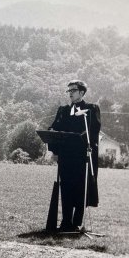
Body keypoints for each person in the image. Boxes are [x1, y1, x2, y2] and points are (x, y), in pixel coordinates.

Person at [49, 80, 101, 232]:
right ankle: (66, 222)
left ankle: (77, 222)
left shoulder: (91, 109)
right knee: (66, 189)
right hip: (66, 157)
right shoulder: (63, 110)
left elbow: (94, 131)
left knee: (81, 189)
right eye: (69, 90)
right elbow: (55, 127)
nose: (70, 93)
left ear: (82, 92)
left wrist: (85, 141)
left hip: (82, 157)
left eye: (73, 90)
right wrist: (53, 142)